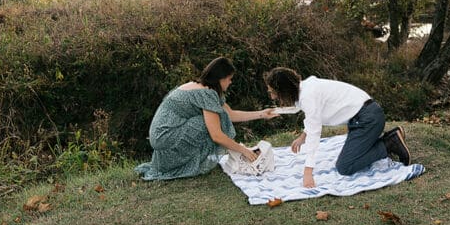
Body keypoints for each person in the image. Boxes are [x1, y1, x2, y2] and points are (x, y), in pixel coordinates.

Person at [263, 67, 410, 188]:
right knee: (351, 157)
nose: (272, 97)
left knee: (345, 167)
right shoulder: (306, 87)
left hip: (368, 120)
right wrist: (301, 135)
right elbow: (308, 115)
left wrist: (308, 172)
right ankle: (386, 139)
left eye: (272, 92)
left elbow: (314, 133)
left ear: (283, 90)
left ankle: (390, 143)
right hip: (363, 119)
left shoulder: (307, 96)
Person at [135, 56, 276, 181]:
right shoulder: (206, 93)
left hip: (162, 135)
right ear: (221, 78)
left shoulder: (205, 88)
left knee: (218, 118)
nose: (230, 82)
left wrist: (262, 114)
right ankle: (197, 163)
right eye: (229, 79)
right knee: (209, 123)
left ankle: (203, 159)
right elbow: (216, 135)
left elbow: (230, 114)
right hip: (165, 137)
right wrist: (243, 150)